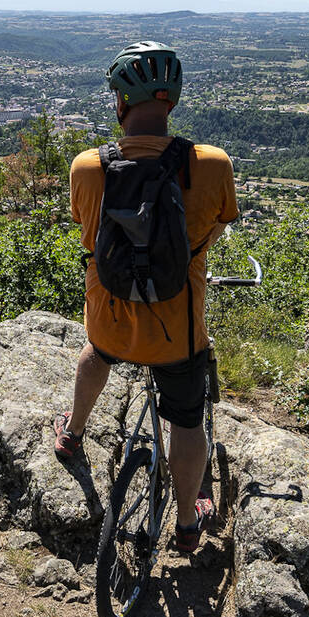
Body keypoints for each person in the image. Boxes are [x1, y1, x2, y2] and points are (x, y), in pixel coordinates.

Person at [54, 43, 238, 552]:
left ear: (121, 103)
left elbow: (88, 232)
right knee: (186, 419)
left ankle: (72, 433)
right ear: (171, 102)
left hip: (110, 320)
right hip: (176, 332)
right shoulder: (212, 165)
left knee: (95, 354)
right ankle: (184, 524)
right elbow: (208, 239)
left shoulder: (87, 168)